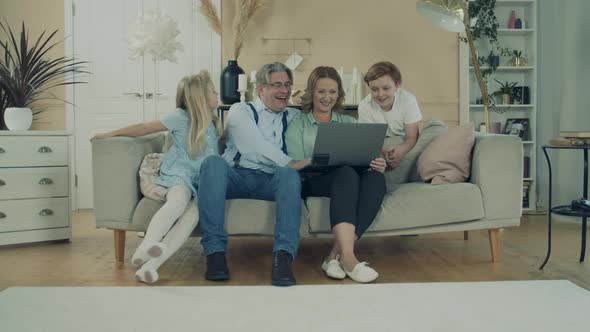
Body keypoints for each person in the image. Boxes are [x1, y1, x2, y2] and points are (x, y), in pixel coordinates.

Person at [92, 71, 222, 284]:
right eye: (213, 91)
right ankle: (146, 247)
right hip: (179, 175)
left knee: (192, 217)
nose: (217, 94)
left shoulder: (213, 121)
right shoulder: (181, 117)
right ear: (199, 97)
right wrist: (108, 135)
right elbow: (144, 128)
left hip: (202, 182)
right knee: (178, 200)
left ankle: (150, 267)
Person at [197, 62, 309, 287]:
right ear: (260, 89)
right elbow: (254, 146)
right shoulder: (241, 110)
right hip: (237, 176)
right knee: (212, 163)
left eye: (287, 85)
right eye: (277, 85)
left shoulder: (294, 117)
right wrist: (292, 162)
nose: (284, 91)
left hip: (272, 181)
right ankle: (215, 254)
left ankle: (283, 258)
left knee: (289, 176)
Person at [284, 66, 386, 283]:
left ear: (339, 93)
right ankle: (349, 258)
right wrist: (315, 158)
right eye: (322, 91)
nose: (327, 97)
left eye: (332, 92)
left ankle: (334, 255)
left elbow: (363, 153)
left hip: (345, 176)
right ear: (312, 92)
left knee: (374, 178)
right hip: (311, 178)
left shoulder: (348, 122)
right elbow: (292, 163)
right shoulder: (298, 124)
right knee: (347, 173)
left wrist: (376, 162)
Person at [358, 61, 422, 169]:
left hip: (405, 143)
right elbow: (371, 142)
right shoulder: (365, 106)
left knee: (433, 128)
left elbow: (411, 138)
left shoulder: (408, 100)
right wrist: (384, 151)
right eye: (374, 89)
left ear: (397, 85)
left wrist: (400, 151)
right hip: (381, 147)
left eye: (386, 88)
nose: (380, 94)